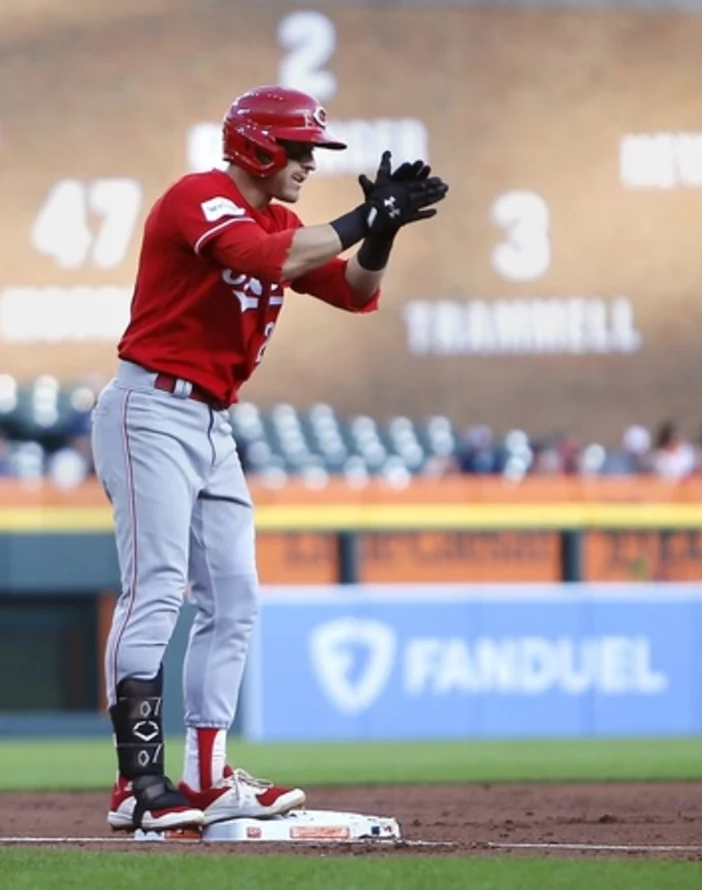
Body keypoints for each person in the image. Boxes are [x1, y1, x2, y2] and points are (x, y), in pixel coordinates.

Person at [90, 85, 449, 833]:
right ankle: (137, 781)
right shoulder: (199, 197)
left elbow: (355, 292)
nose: (309, 163)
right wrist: (361, 216)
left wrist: (379, 235)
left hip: (213, 420)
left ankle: (209, 776)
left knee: (235, 598)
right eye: (299, 149)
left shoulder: (283, 219)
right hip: (150, 407)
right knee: (156, 587)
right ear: (257, 146)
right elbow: (263, 255)